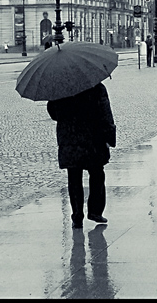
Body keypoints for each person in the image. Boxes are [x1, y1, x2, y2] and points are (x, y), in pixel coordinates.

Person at [47, 82, 116, 229]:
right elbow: (105, 113)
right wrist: (110, 136)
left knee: (74, 177)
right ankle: (95, 211)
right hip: (93, 136)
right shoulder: (96, 87)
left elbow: (54, 114)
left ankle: (77, 215)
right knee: (97, 173)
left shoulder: (59, 88)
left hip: (69, 137)